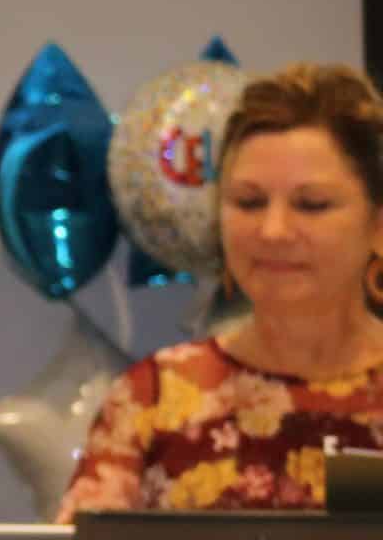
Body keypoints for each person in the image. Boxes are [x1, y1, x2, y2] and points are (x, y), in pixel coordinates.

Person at [64, 64, 383, 515]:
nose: (273, 231)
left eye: (311, 205)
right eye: (249, 202)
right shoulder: (152, 400)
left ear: (378, 225)